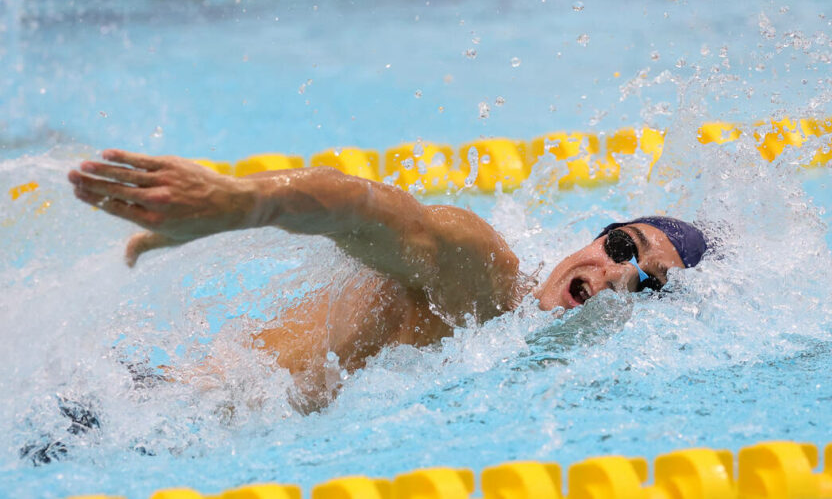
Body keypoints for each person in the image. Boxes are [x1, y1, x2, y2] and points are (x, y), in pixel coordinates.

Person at [67, 149, 707, 409]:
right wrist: (237, 203)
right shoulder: (486, 277)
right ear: (597, 234)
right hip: (135, 410)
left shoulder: (516, 351)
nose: (615, 272)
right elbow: (362, 205)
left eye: (644, 282)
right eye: (623, 246)